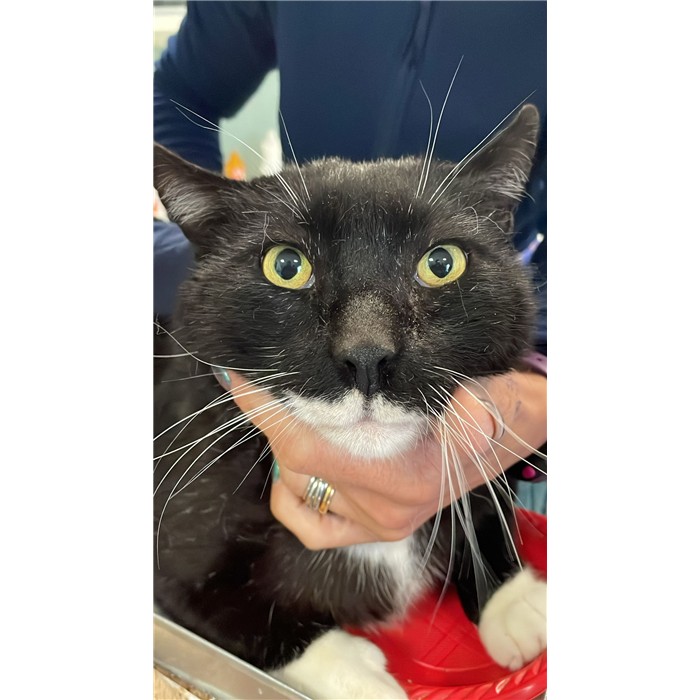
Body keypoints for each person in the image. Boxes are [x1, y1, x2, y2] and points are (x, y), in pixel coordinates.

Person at [154, 0, 547, 549]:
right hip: (280, 360)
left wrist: (541, 396)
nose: (366, 349)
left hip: (489, 374)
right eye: (287, 268)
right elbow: (176, 92)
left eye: (439, 266)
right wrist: (221, 239)